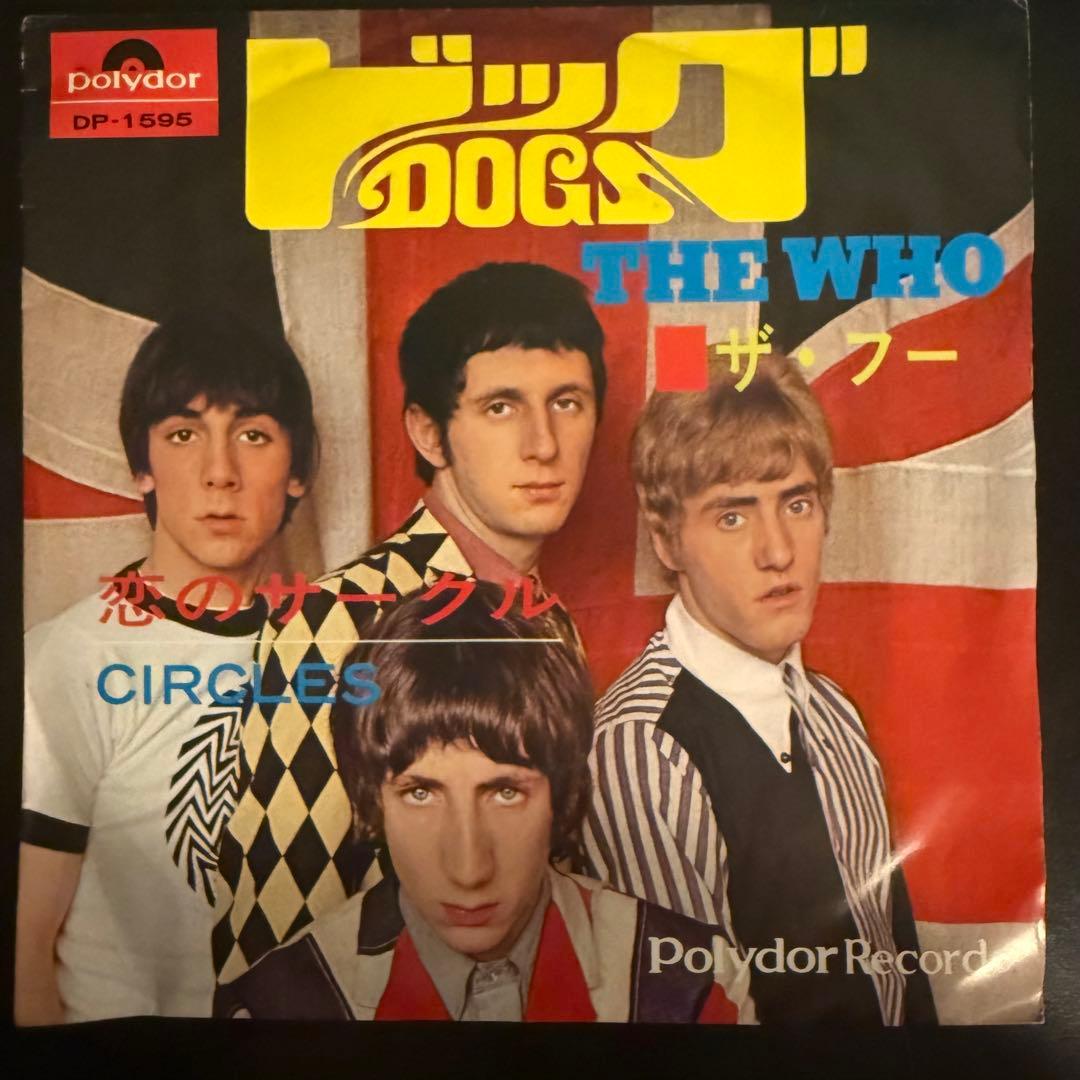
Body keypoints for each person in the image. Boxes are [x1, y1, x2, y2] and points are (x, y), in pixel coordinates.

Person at [213, 262, 607, 981]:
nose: (544, 444)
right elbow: (276, 956)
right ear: (429, 434)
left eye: (567, 402)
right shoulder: (333, 624)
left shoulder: (551, 626)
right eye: (501, 407)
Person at [582, 352, 936, 1024]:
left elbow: (896, 976)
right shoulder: (643, 747)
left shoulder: (834, 713)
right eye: (733, 517)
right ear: (667, 540)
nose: (778, 551)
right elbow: (690, 1025)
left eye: (796, 504)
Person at [214, 586, 754, 1023]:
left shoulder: (696, 986)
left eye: (504, 793)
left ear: (562, 796)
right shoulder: (277, 1007)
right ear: (372, 801)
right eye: (421, 794)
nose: (468, 869)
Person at [16, 308, 317, 1023]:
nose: (220, 474)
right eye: (184, 435)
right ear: (142, 468)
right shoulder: (72, 657)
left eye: (253, 435)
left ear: (298, 473)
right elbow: (23, 954)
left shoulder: (335, 650)